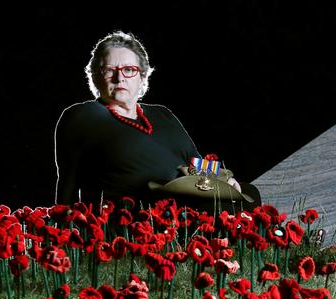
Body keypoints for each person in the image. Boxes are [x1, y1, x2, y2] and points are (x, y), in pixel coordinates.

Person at [54, 31, 260, 212]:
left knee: (249, 192)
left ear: (142, 77)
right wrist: (63, 231)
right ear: (96, 77)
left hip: (188, 199)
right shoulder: (82, 115)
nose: (120, 78)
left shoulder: (162, 114)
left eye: (129, 70)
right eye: (109, 70)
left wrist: (223, 180)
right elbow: (68, 183)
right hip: (138, 213)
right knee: (218, 209)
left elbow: (194, 160)